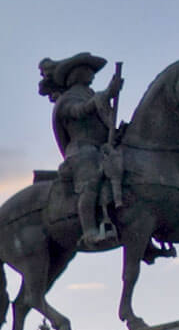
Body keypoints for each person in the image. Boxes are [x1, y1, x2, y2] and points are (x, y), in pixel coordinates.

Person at [37, 51, 123, 249]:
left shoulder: (92, 95)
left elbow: (106, 122)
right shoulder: (67, 99)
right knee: (90, 182)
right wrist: (108, 93)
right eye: (88, 71)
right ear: (76, 75)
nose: (92, 75)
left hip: (101, 149)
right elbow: (79, 111)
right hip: (81, 151)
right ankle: (90, 231)